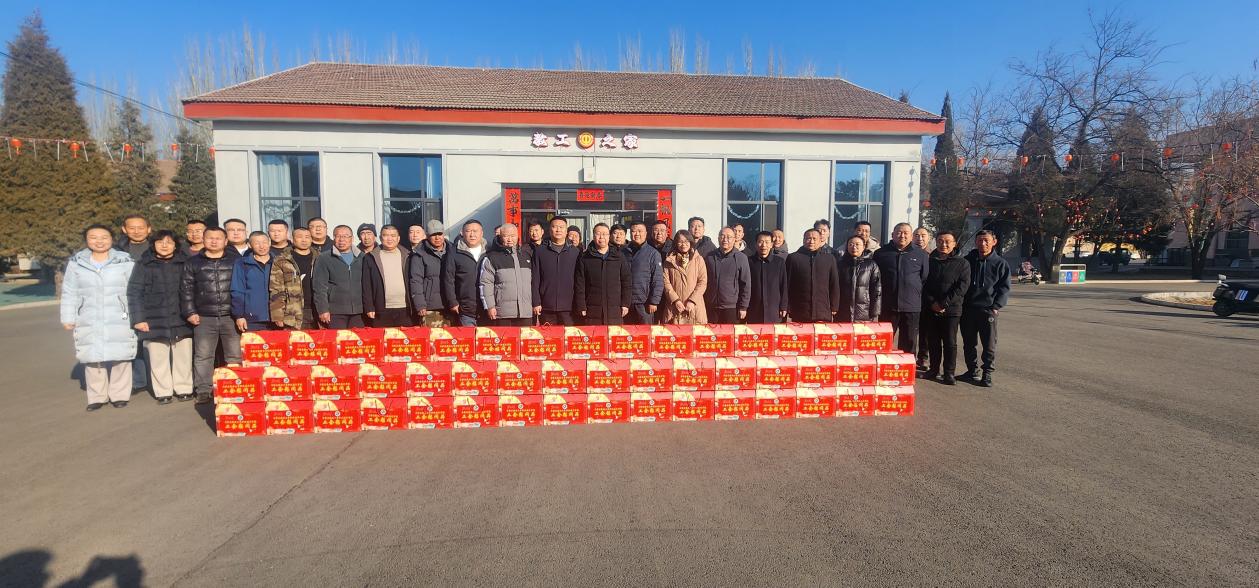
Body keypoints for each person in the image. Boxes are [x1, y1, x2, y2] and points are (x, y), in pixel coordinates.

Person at [63, 225, 137, 411]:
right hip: (88, 316)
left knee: (121, 355)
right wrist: (68, 317)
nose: (99, 241)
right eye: (94, 237)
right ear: (87, 240)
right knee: (92, 356)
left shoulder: (124, 261)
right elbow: (69, 291)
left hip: (119, 315)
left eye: (104, 237)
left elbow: (135, 290)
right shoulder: (77, 263)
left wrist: (137, 315)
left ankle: (120, 395)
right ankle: (97, 396)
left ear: (112, 239)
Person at [127, 230, 193, 404]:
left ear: (176, 245)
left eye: (169, 242)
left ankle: (184, 388)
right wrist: (138, 319)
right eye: (160, 242)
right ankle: (163, 392)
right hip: (152, 317)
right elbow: (134, 293)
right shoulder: (144, 264)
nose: (164, 245)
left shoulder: (185, 262)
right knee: (158, 358)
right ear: (153, 244)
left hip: (181, 317)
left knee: (183, 356)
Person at [181, 226, 239, 404]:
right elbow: (186, 289)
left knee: (234, 355)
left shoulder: (235, 261)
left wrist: (241, 312)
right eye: (210, 238)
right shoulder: (193, 262)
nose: (214, 241)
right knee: (204, 355)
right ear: (203, 240)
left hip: (231, 315)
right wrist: (190, 311)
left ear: (225, 241)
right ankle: (204, 390)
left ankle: (234, 386)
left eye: (218, 238)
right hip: (204, 316)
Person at [960, 230, 1011, 388]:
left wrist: (996, 306)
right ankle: (971, 370)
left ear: (994, 242)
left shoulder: (1000, 263)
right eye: (979, 240)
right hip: (968, 309)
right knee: (969, 342)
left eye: (986, 240)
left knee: (988, 344)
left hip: (988, 310)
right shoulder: (967, 261)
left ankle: (987, 373)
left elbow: (1004, 288)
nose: (982, 243)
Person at [921, 231, 971, 385]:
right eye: (940, 241)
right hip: (931, 308)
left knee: (950, 342)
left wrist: (944, 304)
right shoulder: (929, 261)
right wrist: (932, 303)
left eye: (948, 241)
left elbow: (962, 287)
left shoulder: (962, 263)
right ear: (936, 242)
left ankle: (949, 373)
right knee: (933, 341)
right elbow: (923, 283)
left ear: (954, 244)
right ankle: (933, 369)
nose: (944, 244)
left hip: (951, 310)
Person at [872, 222, 929, 355]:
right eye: (899, 233)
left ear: (911, 236)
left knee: (909, 343)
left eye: (906, 233)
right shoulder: (881, 253)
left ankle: (907, 366)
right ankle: (884, 366)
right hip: (887, 306)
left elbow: (924, 277)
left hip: (911, 306)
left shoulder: (921, 254)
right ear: (893, 235)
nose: (902, 236)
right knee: (884, 342)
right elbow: (876, 278)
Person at [117, 214, 151, 393]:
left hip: (153, 299)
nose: (137, 231)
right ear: (124, 229)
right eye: (132, 228)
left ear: (149, 229)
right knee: (133, 342)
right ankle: (139, 381)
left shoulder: (157, 246)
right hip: (127, 300)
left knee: (155, 342)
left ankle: (158, 380)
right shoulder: (117, 251)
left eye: (141, 227)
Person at [574, 223, 632, 325]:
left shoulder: (618, 256)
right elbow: (580, 284)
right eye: (598, 234)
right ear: (593, 236)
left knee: (614, 334)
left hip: (615, 308)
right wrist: (581, 305)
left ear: (609, 236)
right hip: (592, 307)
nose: (601, 237)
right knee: (594, 334)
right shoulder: (585, 257)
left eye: (604, 234)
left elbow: (626, 281)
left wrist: (625, 303)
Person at [479, 223, 535, 326]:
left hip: (526, 312)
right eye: (506, 236)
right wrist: (490, 306)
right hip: (502, 313)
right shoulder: (492, 257)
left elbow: (534, 282)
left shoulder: (526, 256)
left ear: (518, 236)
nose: (510, 239)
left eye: (513, 236)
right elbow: (486, 283)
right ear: (500, 237)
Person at [312, 225, 367, 329]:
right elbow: (319, 287)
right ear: (333, 238)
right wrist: (323, 309)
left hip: (359, 311)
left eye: (345, 236)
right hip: (335, 312)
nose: (341, 240)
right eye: (338, 236)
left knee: (358, 339)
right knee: (337, 338)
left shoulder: (362, 257)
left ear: (352, 238)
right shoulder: (324, 258)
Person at [532, 216, 580, 326]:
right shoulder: (540, 251)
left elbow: (579, 280)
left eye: (561, 227)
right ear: (549, 230)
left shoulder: (575, 252)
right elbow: (535, 278)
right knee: (549, 336)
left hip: (569, 307)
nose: (558, 230)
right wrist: (536, 302)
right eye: (555, 227)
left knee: (569, 335)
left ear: (566, 231)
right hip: (546, 306)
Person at [786, 229, 841, 322]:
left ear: (820, 240)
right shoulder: (793, 258)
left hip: (822, 310)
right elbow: (787, 284)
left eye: (814, 239)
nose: (811, 241)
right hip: (800, 310)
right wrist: (787, 306)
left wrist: (834, 305)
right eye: (808, 238)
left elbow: (834, 284)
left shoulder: (829, 259)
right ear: (803, 240)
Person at [362, 225, 413, 327]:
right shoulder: (371, 257)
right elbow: (366, 285)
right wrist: (369, 307)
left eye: (393, 236)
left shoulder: (408, 256)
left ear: (398, 238)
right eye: (385, 235)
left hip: (405, 308)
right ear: (380, 238)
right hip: (381, 309)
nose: (389, 239)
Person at [442, 219, 487, 327]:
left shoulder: (490, 251)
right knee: (467, 337)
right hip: (465, 309)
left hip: (487, 309)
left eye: (475, 231)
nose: (472, 234)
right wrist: (452, 302)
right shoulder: (454, 252)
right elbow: (448, 279)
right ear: (462, 233)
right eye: (468, 231)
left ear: (481, 233)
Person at [704, 227, 751, 324]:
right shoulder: (709, 257)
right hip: (711, 306)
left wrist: (743, 306)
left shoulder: (741, 258)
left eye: (729, 237)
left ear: (734, 239)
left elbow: (746, 284)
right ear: (718, 238)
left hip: (732, 307)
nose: (725, 239)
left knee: (730, 333)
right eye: (722, 236)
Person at [230, 232, 275, 333]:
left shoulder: (279, 262)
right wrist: (239, 316)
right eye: (257, 243)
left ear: (269, 243)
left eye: (264, 242)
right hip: (252, 319)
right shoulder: (242, 263)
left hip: (277, 317)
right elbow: (237, 291)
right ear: (249, 245)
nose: (261, 246)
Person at [661, 230, 708, 324]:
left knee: (696, 332)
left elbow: (702, 282)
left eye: (686, 241)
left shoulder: (698, 259)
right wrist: (675, 300)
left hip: (695, 306)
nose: (683, 244)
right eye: (680, 242)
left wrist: (692, 301)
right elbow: (665, 282)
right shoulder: (669, 261)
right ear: (676, 243)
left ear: (691, 242)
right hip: (674, 307)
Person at [409, 219, 450, 327]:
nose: (437, 238)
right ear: (427, 236)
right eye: (433, 235)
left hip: (451, 305)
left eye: (439, 234)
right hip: (430, 307)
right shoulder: (419, 254)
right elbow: (416, 281)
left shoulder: (452, 250)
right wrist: (420, 304)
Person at [625, 221, 664, 325]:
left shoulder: (653, 253)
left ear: (646, 233)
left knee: (645, 332)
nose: (637, 234)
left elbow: (658, 279)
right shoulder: (623, 252)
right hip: (626, 303)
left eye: (640, 231)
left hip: (644, 303)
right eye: (633, 231)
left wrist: (654, 301)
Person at [836, 235, 882, 322]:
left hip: (864, 312)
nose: (854, 247)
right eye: (851, 244)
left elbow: (876, 289)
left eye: (857, 244)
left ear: (864, 247)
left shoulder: (871, 265)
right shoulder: (840, 264)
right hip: (842, 311)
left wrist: (875, 311)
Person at [747, 231, 788, 324]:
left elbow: (783, 286)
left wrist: (784, 306)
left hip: (774, 309)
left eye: (767, 242)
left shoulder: (779, 262)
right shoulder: (749, 261)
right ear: (756, 244)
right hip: (754, 308)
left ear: (772, 244)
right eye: (760, 242)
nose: (764, 245)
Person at [287, 227, 319, 329]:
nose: (304, 240)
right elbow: (276, 288)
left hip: (317, 309)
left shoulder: (320, 257)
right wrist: (278, 315)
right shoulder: (283, 259)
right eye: (300, 237)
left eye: (307, 237)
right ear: (292, 239)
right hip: (293, 310)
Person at [912, 226, 934, 369]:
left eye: (923, 235)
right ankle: (910, 357)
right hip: (912, 297)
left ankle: (923, 357)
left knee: (926, 330)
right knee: (911, 330)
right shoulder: (909, 253)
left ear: (929, 238)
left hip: (929, 298)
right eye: (917, 235)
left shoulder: (934, 255)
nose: (920, 238)